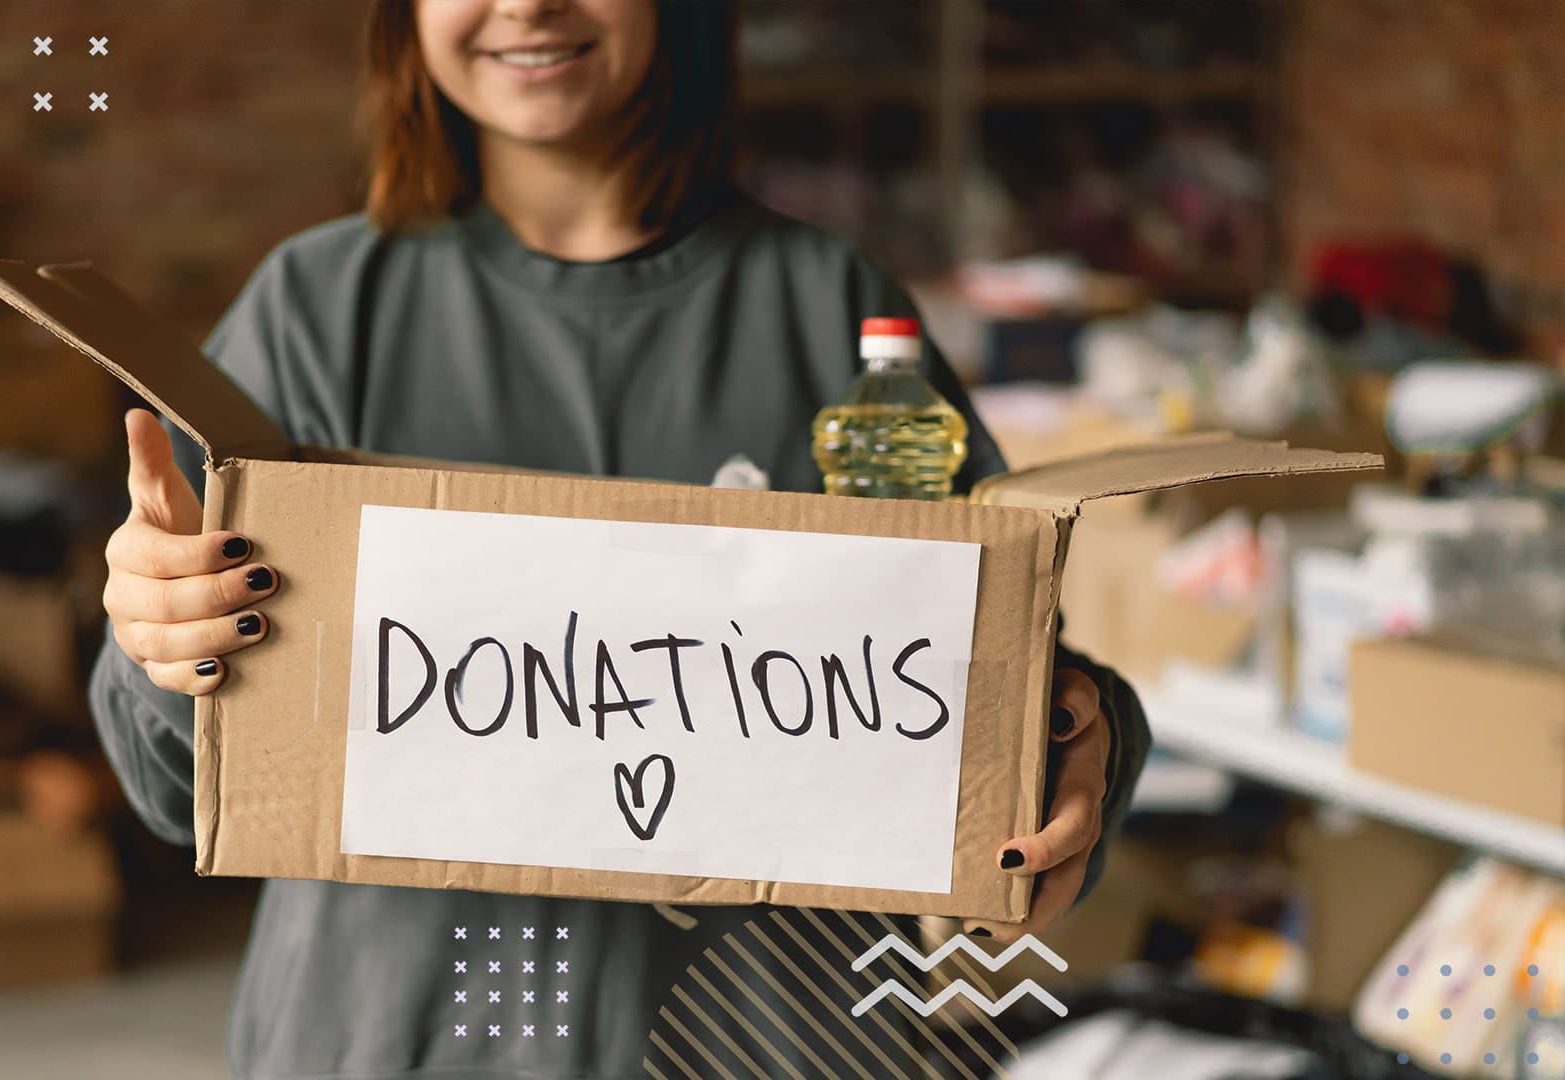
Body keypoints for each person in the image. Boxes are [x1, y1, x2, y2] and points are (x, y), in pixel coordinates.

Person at [90, 1, 1149, 1076]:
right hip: (393, 1042)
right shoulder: (314, 311)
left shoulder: (838, 313)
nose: (528, 3)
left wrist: (1082, 740)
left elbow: (1006, 679)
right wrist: (162, 643)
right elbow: (172, 788)